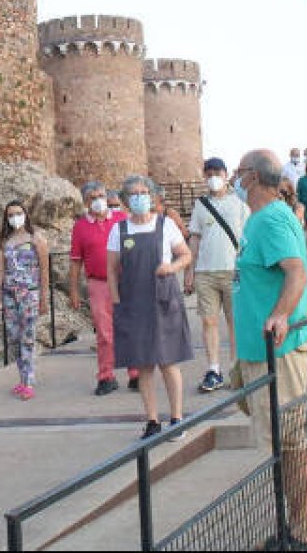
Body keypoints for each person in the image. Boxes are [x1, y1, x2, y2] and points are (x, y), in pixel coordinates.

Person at [232, 149, 307, 551]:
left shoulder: (270, 219)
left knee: (290, 443)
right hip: (259, 350)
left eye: (238, 174)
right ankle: (294, 529)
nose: (234, 180)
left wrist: (281, 316)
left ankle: (304, 535)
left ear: (251, 177)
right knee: (283, 443)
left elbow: (296, 271)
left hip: (279, 353)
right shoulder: (262, 219)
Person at [107, 176, 196, 440]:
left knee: (168, 361)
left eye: (144, 192)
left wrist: (173, 267)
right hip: (133, 302)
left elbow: (186, 254)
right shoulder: (119, 230)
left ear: (153, 196)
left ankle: (177, 418)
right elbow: (112, 270)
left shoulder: (166, 225)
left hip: (163, 299)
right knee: (144, 364)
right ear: (125, 201)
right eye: (133, 194)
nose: (139, 197)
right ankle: (152, 420)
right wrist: (115, 301)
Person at [185, 158, 250, 393]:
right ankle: (214, 368)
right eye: (208, 173)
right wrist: (189, 270)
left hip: (233, 269)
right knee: (208, 321)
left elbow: (248, 236)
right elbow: (195, 237)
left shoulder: (240, 203)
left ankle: (236, 368)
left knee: (235, 322)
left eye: (216, 172)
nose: (212, 177)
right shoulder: (201, 204)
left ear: (225, 174)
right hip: (206, 271)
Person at [69, 182, 136, 395]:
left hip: (124, 280)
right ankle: (106, 376)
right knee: (105, 333)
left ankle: (135, 373)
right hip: (98, 283)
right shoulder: (80, 227)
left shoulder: (121, 219)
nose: (98, 200)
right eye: (92, 197)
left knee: (128, 327)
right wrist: (73, 291)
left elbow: (134, 249)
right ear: (86, 202)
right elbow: (75, 262)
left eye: (101, 195)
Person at [0, 201, 50, 401]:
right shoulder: (4, 241)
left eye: (18, 213)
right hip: (9, 294)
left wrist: (44, 298)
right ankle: (21, 377)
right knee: (14, 337)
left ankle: (28, 381)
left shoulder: (36, 238)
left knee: (28, 337)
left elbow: (44, 270)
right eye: (10, 214)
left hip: (29, 293)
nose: (15, 217)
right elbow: (0, 270)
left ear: (25, 214)